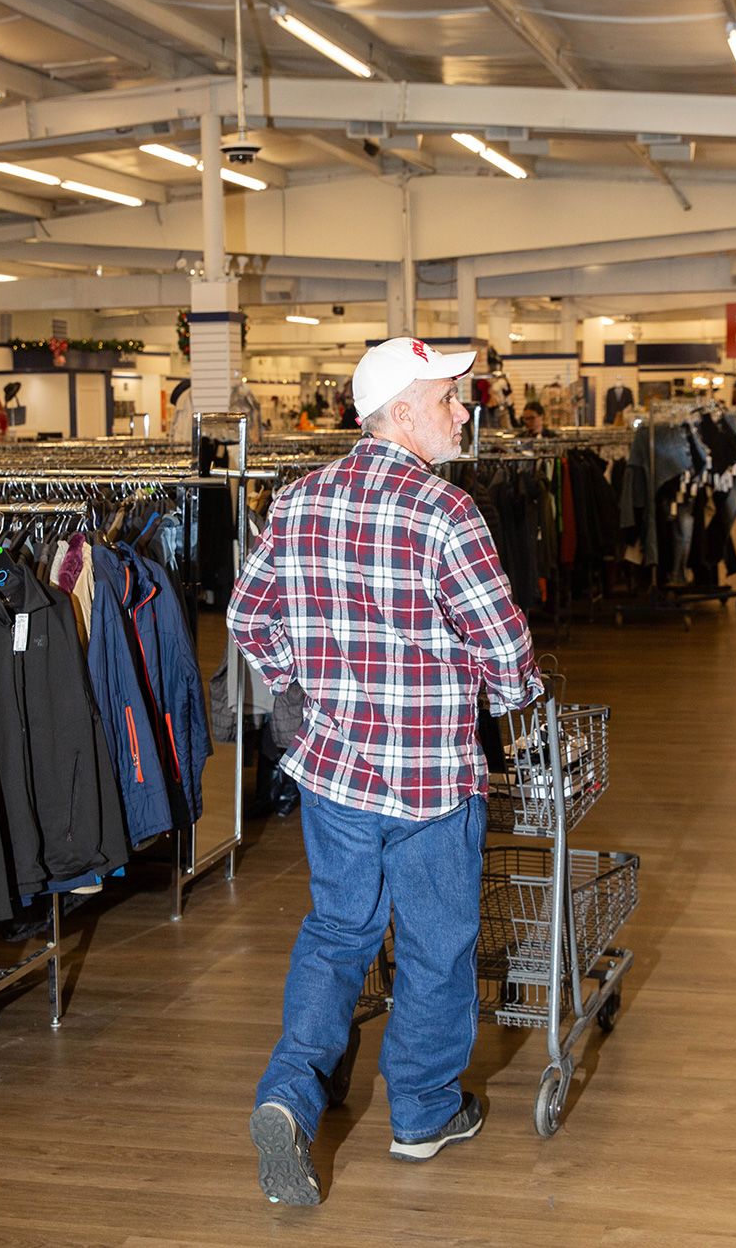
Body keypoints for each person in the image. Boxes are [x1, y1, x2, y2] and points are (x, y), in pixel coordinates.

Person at [228, 336, 543, 1206]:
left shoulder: (294, 500)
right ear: (400, 412)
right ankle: (423, 1115)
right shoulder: (448, 512)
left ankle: (289, 1096)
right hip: (432, 779)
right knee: (437, 948)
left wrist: (299, 683)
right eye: (447, 398)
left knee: (338, 934)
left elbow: (247, 615)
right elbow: (502, 642)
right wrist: (517, 693)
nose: (462, 411)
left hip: (333, 773)